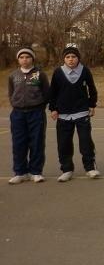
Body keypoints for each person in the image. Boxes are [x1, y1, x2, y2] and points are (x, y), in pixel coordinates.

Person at [49, 46, 100, 182]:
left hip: (81, 112)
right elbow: (52, 92)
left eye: (73, 57)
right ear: (64, 59)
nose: (71, 59)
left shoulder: (85, 71)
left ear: (78, 58)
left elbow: (92, 89)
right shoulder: (58, 72)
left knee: (86, 142)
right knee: (64, 143)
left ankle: (90, 168)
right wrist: (53, 109)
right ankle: (67, 169)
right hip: (63, 114)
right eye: (68, 57)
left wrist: (92, 105)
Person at [7, 48, 49, 184]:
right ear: (18, 59)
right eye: (22, 57)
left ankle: (35, 172)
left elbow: (46, 93)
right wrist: (15, 103)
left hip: (36, 113)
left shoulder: (40, 74)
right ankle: (20, 172)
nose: (24, 60)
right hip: (18, 114)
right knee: (18, 143)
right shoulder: (13, 75)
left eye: (27, 57)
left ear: (32, 59)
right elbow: (11, 93)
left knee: (37, 142)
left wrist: (39, 107)